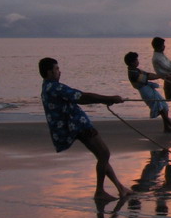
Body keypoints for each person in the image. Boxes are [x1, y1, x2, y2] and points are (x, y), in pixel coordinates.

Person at [39, 57, 130, 201]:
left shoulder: (46, 87)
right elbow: (82, 97)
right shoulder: (55, 88)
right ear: (49, 72)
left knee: (102, 155)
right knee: (104, 153)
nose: (59, 72)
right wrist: (109, 99)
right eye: (56, 69)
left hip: (73, 125)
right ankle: (99, 191)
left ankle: (120, 188)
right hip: (78, 125)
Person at [124, 51, 171, 132]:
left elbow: (148, 74)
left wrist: (160, 75)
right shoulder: (133, 73)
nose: (137, 61)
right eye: (136, 60)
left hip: (148, 88)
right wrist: (160, 76)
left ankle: (167, 127)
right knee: (160, 108)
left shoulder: (135, 70)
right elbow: (147, 77)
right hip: (145, 91)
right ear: (132, 63)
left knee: (164, 106)